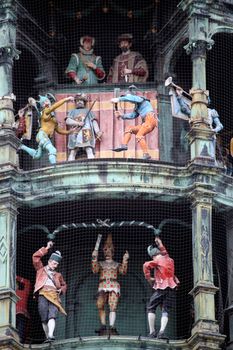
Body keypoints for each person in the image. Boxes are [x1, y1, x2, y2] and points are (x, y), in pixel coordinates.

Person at [18, 95, 76, 165]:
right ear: (43, 105)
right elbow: (54, 107)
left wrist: (70, 132)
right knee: (53, 150)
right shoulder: (45, 111)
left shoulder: (53, 119)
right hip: (42, 135)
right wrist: (66, 99)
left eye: (47, 101)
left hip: (44, 137)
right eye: (44, 102)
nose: (46, 103)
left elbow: (59, 130)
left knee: (37, 155)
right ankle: (54, 168)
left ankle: (21, 146)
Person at [91, 234, 129, 335]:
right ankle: (103, 325)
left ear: (112, 252)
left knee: (113, 306)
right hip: (103, 285)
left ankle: (112, 326)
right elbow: (94, 270)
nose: (107, 253)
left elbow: (123, 272)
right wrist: (94, 259)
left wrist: (125, 260)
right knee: (100, 305)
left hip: (113, 285)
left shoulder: (116, 264)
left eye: (109, 251)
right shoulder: (101, 263)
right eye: (105, 250)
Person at [143, 236, 179, 339]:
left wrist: (149, 278)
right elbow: (165, 252)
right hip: (171, 288)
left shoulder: (157, 260)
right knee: (165, 310)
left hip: (162, 287)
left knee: (151, 307)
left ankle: (152, 332)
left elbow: (146, 265)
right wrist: (160, 243)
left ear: (153, 255)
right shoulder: (169, 259)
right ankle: (162, 332)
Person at [32, 241, 67, 343]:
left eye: (57, 264)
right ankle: (47, 336)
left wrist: (61, 289)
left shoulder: (58, 275)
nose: (56, 266)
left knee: (52, 315)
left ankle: (51, 335)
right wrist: (46, 248)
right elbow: (35, 257)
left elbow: (64, 284)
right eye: (54, 263)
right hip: (42, 294)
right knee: (44, 317)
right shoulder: (40, 269)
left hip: (54, 295)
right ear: (49, 261)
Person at [111, 85, 158, 160]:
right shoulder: (138, 106)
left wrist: (118, 99)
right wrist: (121, 115)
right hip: (146, 122)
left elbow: (132, 98)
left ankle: (146, 154)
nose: (129, 100)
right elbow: (133, 115)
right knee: (129, 128)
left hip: (150, 119)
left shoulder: (140, 99)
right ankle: (124, 145)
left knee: (139, 135)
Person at [66, 93, 102, 160]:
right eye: (77, 101)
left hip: (86, 131)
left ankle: (92, 165)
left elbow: (93, 121)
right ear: (75, 102)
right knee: (73, 151)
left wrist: (97, 131)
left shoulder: (88, 111)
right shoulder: (72, 111)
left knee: (89, 149)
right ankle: (70, 164)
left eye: (81, 100)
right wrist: (78, 123)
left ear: (84, 102)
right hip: (75, 131)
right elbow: (67, 121)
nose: (79, 102)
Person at [16, 276, 32, 343]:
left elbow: (28, 282)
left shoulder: (24, 292)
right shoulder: (8, 294)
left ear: (17, 285)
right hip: (13, 315)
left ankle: (20, 340)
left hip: (21, 314)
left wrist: (17, 277)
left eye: (15, 284)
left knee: (21, 330)